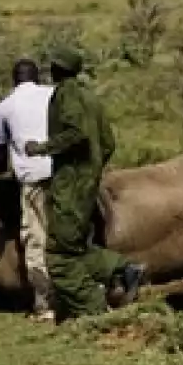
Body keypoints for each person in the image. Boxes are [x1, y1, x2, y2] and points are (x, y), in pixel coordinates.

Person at [26, 48, 145, 322]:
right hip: (86, 185)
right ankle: (123, 269)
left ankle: (94, 310)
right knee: (75, 248)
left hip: (68, 187)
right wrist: (91, 172)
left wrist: (42, 148)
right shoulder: (91, 99)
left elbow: (76, 134)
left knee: (59, 258)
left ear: (57, 70)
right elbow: (108, 143)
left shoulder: (66, 94)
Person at [0, 59, 57, 322]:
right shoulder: (53, 94)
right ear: (38, 77)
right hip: (63, 174)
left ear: (13, 80)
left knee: (36, 240)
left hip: (33, 178)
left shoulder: (4, 107)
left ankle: (44, 304)